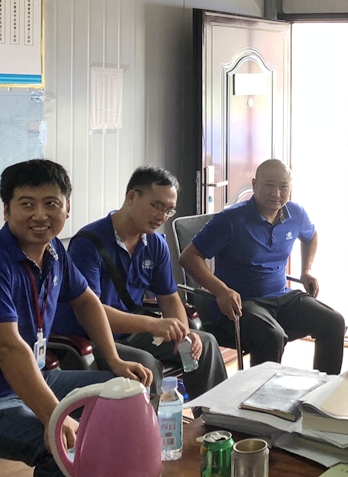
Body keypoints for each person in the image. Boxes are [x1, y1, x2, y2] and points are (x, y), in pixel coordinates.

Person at [0, 159, 153, 477]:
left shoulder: (54, 251)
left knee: (122, 389)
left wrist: (114, 360)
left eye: (51, 203)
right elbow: (8, 348)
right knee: (56, 445)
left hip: (33, 379)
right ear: (6, 210)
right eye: (26, 204)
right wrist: (54, 416)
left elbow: (87, 301)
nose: (40, 215)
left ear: (67, 208)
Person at [51, 166, 227, 400]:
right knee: (145, 364)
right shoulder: (88, 243)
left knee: (205, 344)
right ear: (132, 196)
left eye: (168, 210)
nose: (161, 216)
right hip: (92, 339)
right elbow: (91, 311)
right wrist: (152, 324)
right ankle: (154, 423)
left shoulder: (155, 244)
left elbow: (169, 298)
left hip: (133, 332)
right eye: (156, 206)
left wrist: (183, 333)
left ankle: (211, 416)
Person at [178, 159, 345, 374]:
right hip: (239, 304)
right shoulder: (230, 220)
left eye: (283, 186)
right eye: (269, 185)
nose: (276, 193)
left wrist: (306, 270)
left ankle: (325, 390)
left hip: (281, 297)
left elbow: (311, 236)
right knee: (272, 336)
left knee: (333, 322)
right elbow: (189, 258)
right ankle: (260, 394)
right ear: (254, 184)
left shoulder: (296, 214)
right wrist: (221, 291)